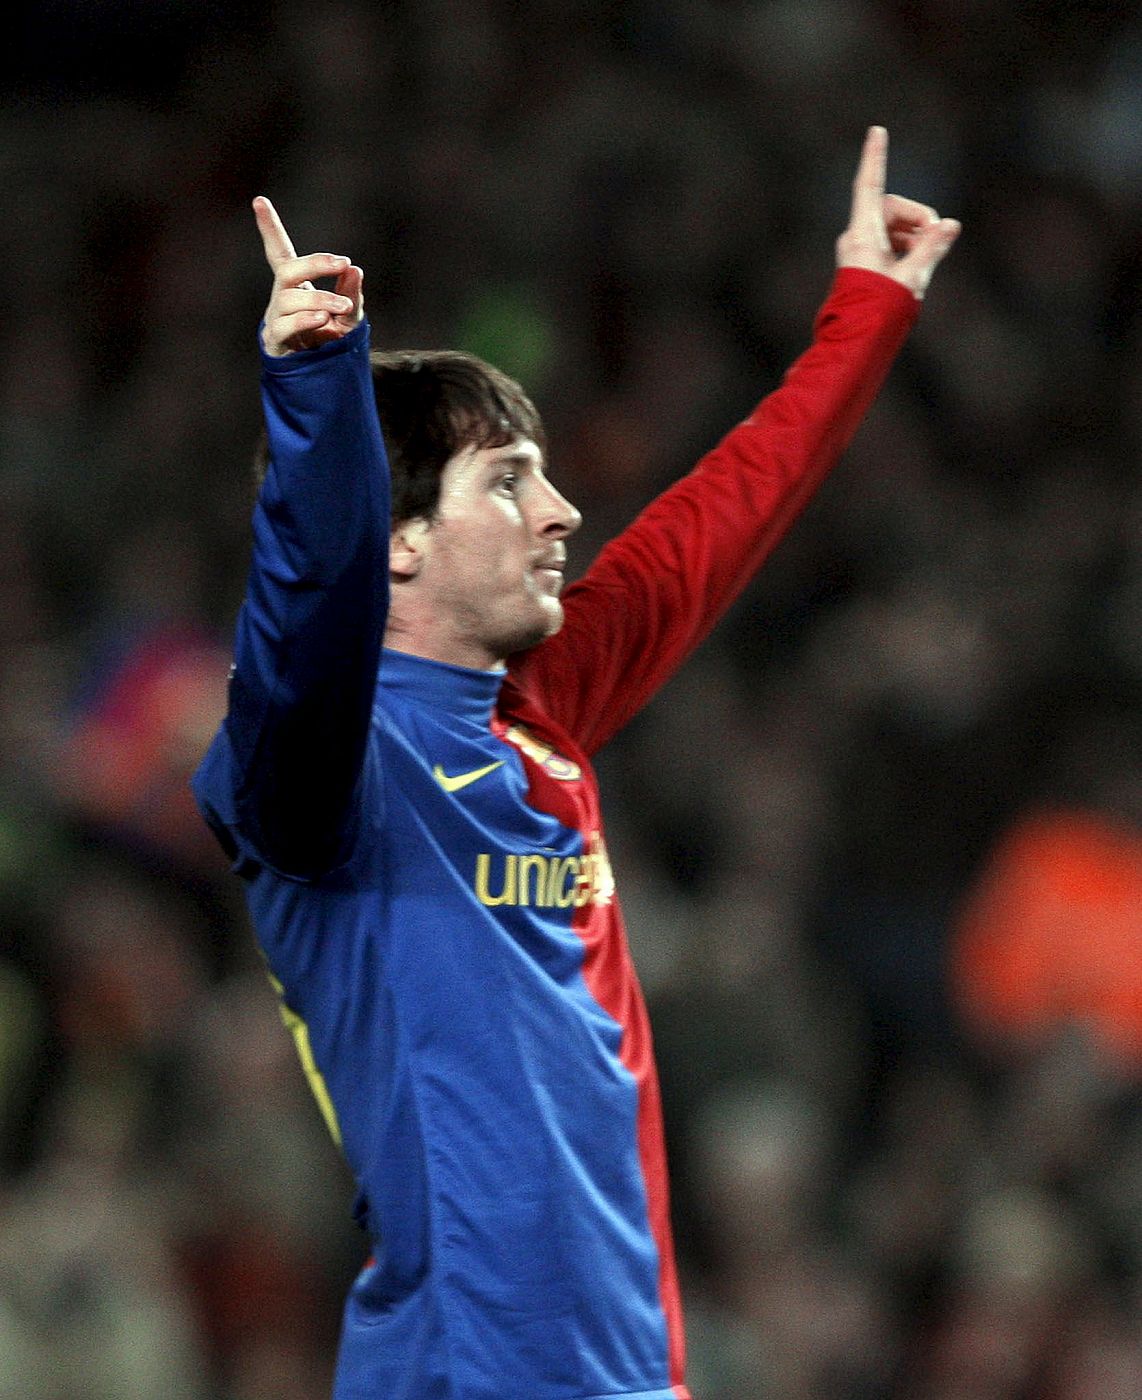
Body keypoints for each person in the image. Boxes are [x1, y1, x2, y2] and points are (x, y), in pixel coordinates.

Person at [193, 127, 959, 1400]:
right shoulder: (317, 776)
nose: (559, 513)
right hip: (461, 1371)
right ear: (397, 540)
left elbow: (715, 520)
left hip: (629, 1371)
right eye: (509, 483)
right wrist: (313, 395)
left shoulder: (538, 712)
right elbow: (304, 611)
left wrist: (867, 308)